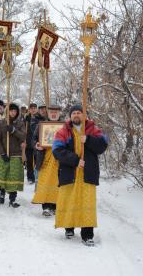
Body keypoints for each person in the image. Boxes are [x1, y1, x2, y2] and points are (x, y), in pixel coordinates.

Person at [52, 105, 108, 247]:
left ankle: (87, 234)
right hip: (69, 172)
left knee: (86, 203)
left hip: (87, 173)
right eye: (74, 113)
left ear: (84, 115)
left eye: (79, 113)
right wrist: (75, 160)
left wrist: (88, 139)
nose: (76, 115)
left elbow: (103, 145)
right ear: (70, 116)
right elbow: (57, 150)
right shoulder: (63, 131)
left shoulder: (93, 129)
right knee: (69, 200)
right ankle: (69, 228)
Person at [0, 103, 26, 207]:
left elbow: (23, 136)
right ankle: (2, 194)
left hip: (16, 154)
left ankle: (12, 199)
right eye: (11, 111)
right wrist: (1, 152)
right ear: (8, 111)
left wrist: (14, 130)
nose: (13, 113)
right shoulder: (1, 123)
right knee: (4, 174)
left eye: (15, 111)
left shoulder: (20, 123)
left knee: (14, 177)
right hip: (4, 153)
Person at [24, 103, 39, 184]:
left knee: (37, 161)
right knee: (29, 161)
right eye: (31, 108)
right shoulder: (26, 118)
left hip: (36, 143)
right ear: (29, 110)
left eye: (34, 108)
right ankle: (30, 178)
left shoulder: (39, 118)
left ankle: (37, 177)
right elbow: (23, 129)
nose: (33, 109)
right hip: (28, 142)